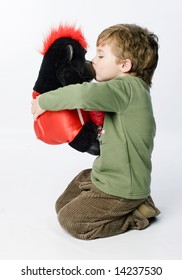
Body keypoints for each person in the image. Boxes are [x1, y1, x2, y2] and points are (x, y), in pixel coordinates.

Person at [31, 23, 160, 240]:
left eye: (100, 56)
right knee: (61, 205)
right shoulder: (121, 91)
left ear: (125, 65)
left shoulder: (127, 87)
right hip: (108, 174)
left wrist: (44, 101)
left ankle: (135, 214)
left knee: (72, 221)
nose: (94, 61)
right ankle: (127, 200)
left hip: (122, 185)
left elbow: (84, 94)